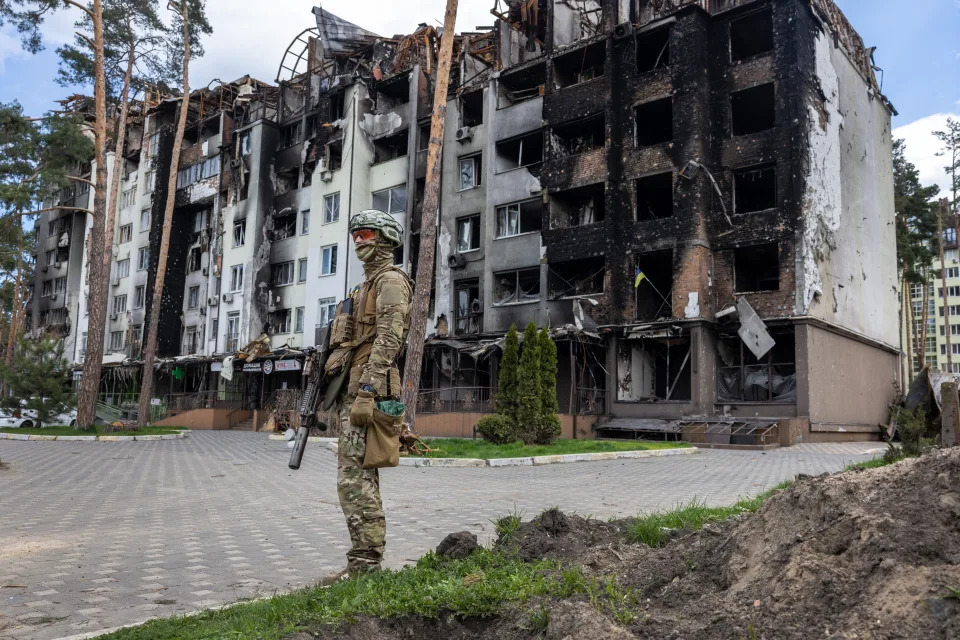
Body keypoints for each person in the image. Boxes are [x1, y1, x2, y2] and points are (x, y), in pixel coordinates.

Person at [324, 209, 413, 580]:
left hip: (367, 393)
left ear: (386, 237)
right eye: (355, 236)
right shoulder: (361, 288)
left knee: (355, 483)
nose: (359, 242)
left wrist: (366, 391)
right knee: (354, 479)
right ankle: (363, 563)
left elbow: (390, 339)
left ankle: (365, 566)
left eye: (366, 234)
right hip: (352, 392)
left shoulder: (390, 281)